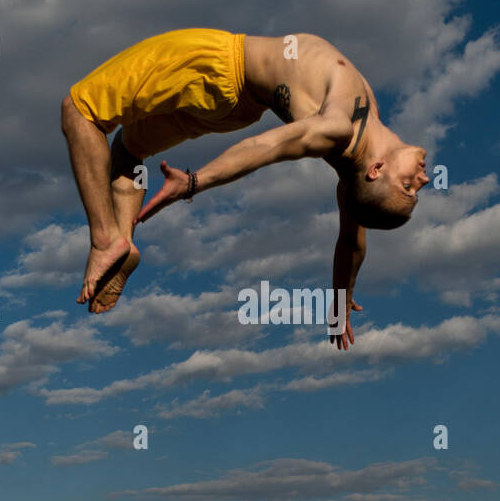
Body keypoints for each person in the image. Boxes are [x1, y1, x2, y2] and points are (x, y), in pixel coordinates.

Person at [61, 28, 429, 347]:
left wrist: (193, 182)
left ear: (377, 170)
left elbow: (265, 148)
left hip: (217, 65)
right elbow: (352, 241)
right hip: (235, 107)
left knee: (79, 110)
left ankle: (106, 240)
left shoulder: (338, 128)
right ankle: (125, 240)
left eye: (408, 185)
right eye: (417, 186)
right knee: (128, 150)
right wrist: (339, 302)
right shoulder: (356, 169)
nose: (424, 178)